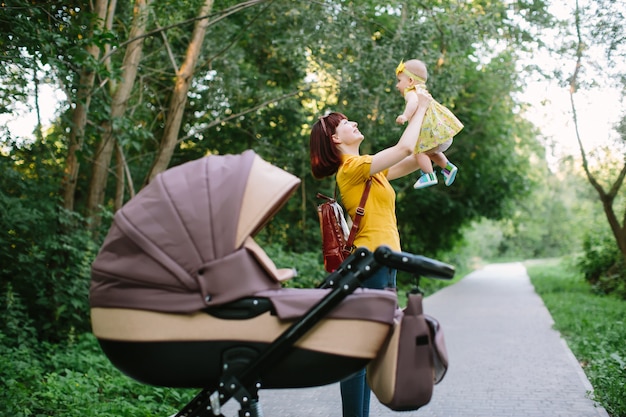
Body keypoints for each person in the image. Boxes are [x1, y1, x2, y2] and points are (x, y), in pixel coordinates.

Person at [309, 89, 432, 417]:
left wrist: (433, 138)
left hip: (384, 264)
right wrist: (418, 108)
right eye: (346, 122)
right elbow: (404, 146)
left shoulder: (370, 170)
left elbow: (410, 157)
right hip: (370, 264)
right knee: (360, 349)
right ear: (335, 139)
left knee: (369, 348)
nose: (354, 123)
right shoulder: (352, 169)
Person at [395, 59, 464, 189]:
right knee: (430, 152)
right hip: (441, 135)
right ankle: (448, 168)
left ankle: (429, 175)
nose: (397, 86)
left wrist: (405, 115)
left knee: (419, 151)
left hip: (432, 134)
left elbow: (413, 103)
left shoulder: (411, 92)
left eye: (399, 81)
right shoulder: (423, 91)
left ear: (410, 81)